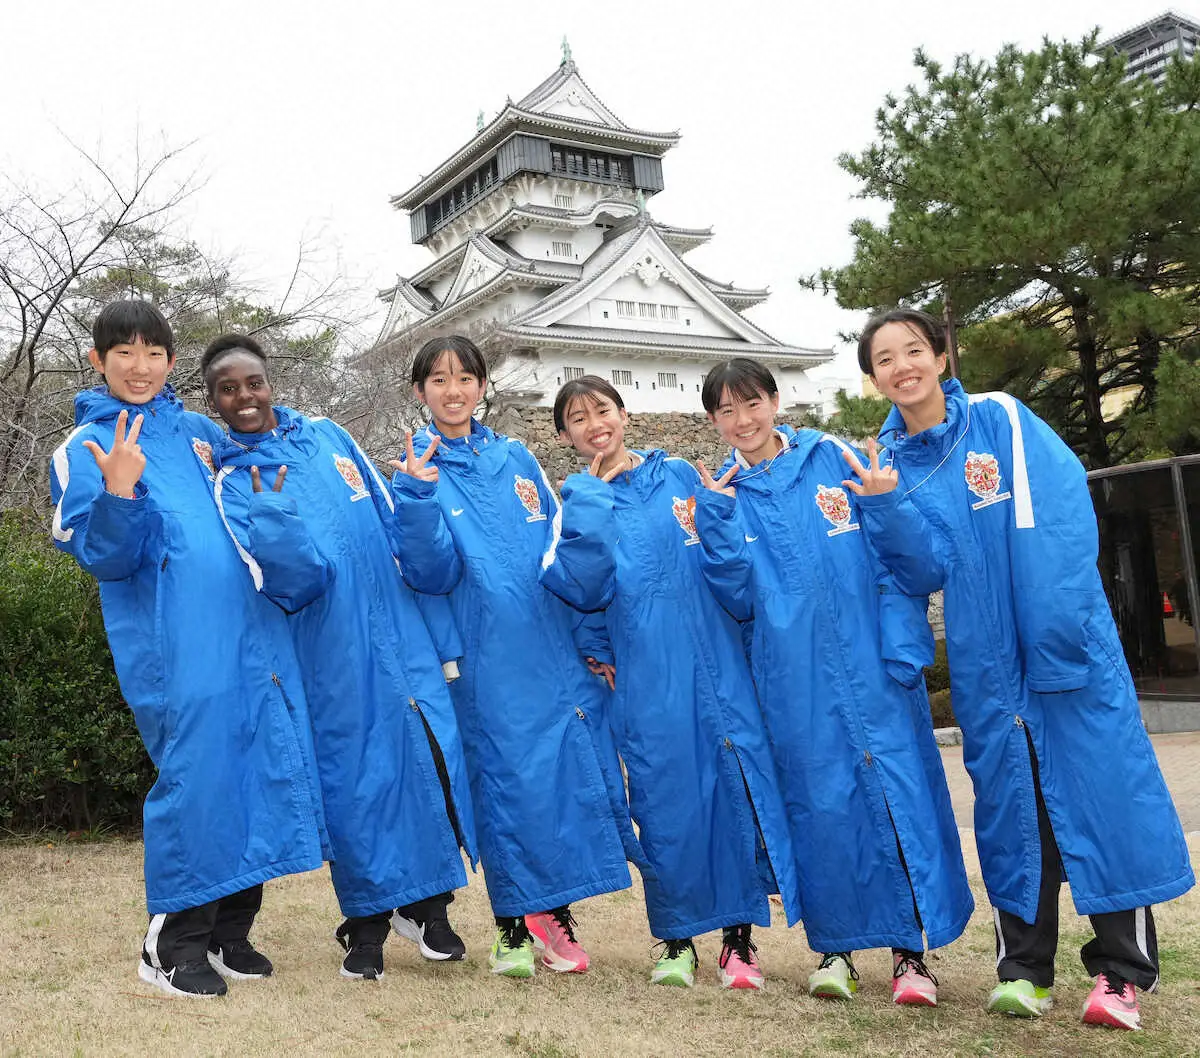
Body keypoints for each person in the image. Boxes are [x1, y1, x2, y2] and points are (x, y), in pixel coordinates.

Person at [846, 308, 1194, 1031]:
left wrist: (1058, 635)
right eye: (885, 358)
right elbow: (921, 570)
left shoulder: (1000, 420)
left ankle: (1121, 976)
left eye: (915, 349)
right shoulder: (888, 463)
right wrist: (882, 509)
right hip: (985, 663)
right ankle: (1023, 970)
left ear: (941, 356)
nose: (903, 365)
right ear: (872, 376)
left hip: (1061, 646)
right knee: (1011, 809)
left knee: (1101, 800)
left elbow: (1061, 518)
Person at [49, 301, 326, 998]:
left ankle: (232, 933)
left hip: (251, 633)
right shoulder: (86, 443)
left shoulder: (201, 432)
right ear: (98, 361)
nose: (139, 367)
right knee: (198, 785)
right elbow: (106, 559)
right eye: (124, 353)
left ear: (172, 363)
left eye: (153, 353)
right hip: (175, 646)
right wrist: (117, 490)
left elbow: (264, 455)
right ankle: (173, 946)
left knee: (258, 772)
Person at [692, 357, 974, 1006]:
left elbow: (902, 566)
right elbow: (738, 599)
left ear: (775, 400)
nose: (742, 420)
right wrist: (715, 523)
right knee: (820, 810)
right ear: (713, 421)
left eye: (751, 403)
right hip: (794, 685)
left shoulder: (835, 461)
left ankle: (912, 957)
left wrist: (903, 654)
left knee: (896, 801)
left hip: (874, 673)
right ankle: (836, 951)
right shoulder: (728, 495)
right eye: (726, 411)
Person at [201, 334, 476, 981]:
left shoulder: (328, 436)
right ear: (214, 400)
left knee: (429, 762)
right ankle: (367, 924)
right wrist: (274, 518)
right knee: (358, 783)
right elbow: (295, 586)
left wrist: (413, 504)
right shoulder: (233, 482)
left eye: (253, 382)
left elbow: (384, 521)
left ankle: (432, 908)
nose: (245, 398)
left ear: (270, 382)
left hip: (400, 632)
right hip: (330, 653)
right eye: (228, 389)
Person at [540, 375, 802, 989]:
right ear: (563, 435)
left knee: (733, 793)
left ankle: (739, 943)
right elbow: (577, 592)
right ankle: (677, 939)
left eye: (602, 409)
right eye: (577, 418)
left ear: (625, 414)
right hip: (648, 678)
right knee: (664, 803)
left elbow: (727, 555)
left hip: (719, 666)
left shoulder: (683, 476)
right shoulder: (575, 502)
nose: (594, 423)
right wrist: (597, 646)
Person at [390, 335, 638, 979]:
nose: (454, 391)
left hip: (550, 642)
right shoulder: (418, 471)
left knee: (556, 779)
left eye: (465, 378)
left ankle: (550, 910)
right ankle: (512, 926)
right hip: (482, 653)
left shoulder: (516, 456)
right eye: (438, 380)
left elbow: (560, 548)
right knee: (502, 781)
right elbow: (431, 572)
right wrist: (415, 502)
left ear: (481, 386)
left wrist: (590, 638)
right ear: (420, 393)